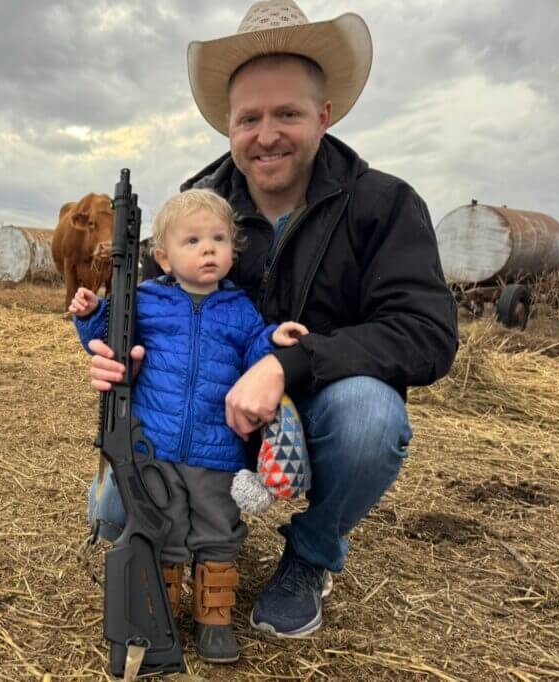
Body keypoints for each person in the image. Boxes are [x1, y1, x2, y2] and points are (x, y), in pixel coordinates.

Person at [85, 0, 458, 643]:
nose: (267, 135)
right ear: (228, 126)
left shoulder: (385, 203)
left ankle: (309, 558)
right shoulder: (195, 206)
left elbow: (425, 334)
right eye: (249, 118)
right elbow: (149, 314)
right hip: (207, 415)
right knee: (113, 514)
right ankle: (178, 556)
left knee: (372, 418)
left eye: (287, 114)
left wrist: (285, 364)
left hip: (315, 409)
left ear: (324, 115)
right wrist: (120, 356)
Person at [72, 189, 307, 663]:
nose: (208, 249)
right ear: (164, 257)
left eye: (219, 239)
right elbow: (112, 341)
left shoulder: (240, 310)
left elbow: (255, 353)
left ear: (233, 250)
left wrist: (274, 339)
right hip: (156, 448)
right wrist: (92, 314)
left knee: (219, 531)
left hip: (217, 451)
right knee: (166, 530)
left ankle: (214, 618)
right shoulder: (146, 301)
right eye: (193, 240)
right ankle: (162, 612)